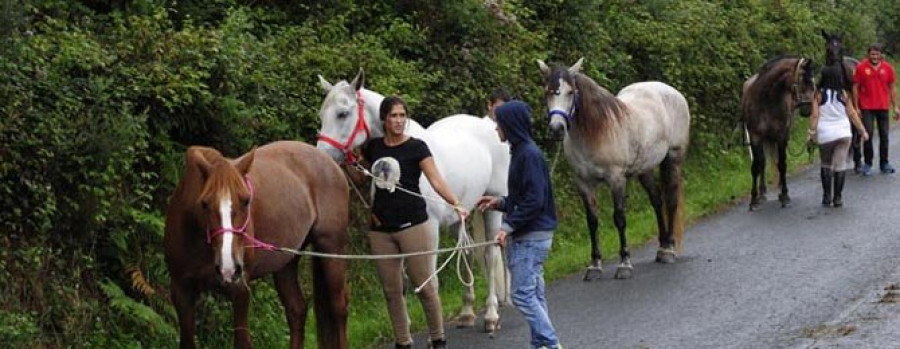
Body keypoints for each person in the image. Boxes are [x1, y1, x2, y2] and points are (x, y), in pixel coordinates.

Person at [360, 96, 467, 349]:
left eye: (401, 116)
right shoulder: (373, 148)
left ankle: (438, 338)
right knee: (392, 291)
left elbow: (436, 180)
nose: (398, 121)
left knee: (424, 287)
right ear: (384, 120)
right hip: (381, 231)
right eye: (393, 116)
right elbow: (363, 172)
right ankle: (403, 342)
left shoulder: (417, 147)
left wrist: (455, 203)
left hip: (414, 226)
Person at [476, 100, 562, 349]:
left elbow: (535, 200)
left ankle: (550, 342)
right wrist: (499, 202)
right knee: (534, 293)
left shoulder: (528, 155)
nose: (496, 129)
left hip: (531, 237)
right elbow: (523, 197)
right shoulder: (521, 152)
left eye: (499, 124)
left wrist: (507, 227)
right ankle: (541, 345)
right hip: (533, 234)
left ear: (510, 125)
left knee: (521, 295)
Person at [808, 64, 870, 207]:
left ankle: (826, 196)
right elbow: (853, 114)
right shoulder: (844, 93)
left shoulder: (818, 94)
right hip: (843, 133)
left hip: (825, 134)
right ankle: (838, 197)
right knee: (840, 164)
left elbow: (815, 116)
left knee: (826, 163)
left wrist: (811, 133)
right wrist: (862, 131)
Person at [853, 43, 899, 175]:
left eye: (877, 54)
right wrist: (856, 107)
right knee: (868, 134)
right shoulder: (861, 68)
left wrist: (895, 106)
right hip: (866, 107)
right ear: (868, 55)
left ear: (881, 55)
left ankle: (884, 162)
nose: (875, 56)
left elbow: (892, 87)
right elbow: (855, 87)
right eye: (872, 54)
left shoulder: (888, 68)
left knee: (884, 136)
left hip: (883, 106)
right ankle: (868, 163)